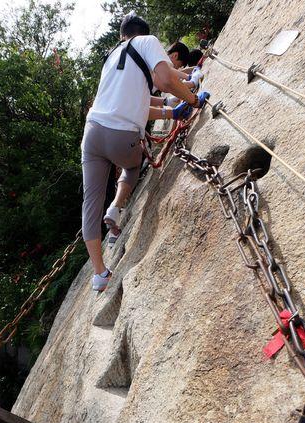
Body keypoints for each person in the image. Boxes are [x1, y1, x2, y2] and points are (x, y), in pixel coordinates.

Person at [81, 13, 210, 291]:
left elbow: (143, 95)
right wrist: (192, 100)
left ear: (121, 35)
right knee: (132, 166)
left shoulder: (112, 56)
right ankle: (116, 206)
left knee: (90, 202)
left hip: (91, 133)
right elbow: (164, 79)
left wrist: (169, 105)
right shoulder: (147, 42)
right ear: (145, 33)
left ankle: (99, 274)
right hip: (122, 137)